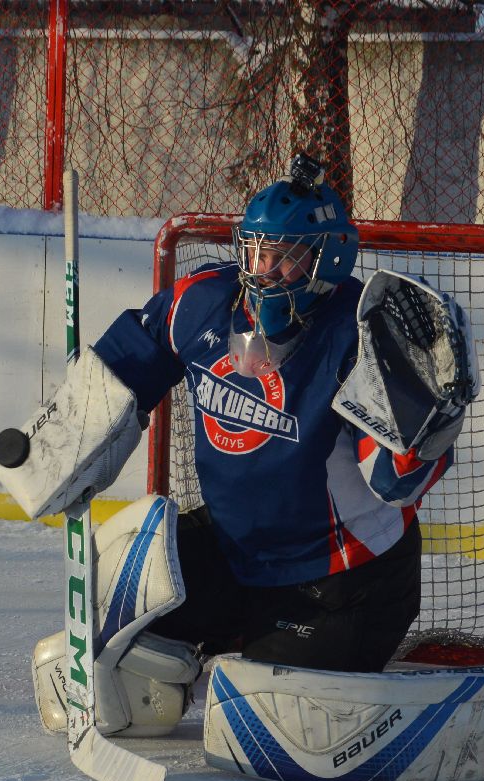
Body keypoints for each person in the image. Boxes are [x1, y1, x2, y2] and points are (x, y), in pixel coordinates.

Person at [86, 154, 459, 675]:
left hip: (342, 583)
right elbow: (129, 359)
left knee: (265, 719)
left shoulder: (359, 334)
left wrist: (435, 419)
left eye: (284, 256)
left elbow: (394, 482)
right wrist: (70, 435)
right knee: (115, 598)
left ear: (328, 259)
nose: (263, 271)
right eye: (255, 252)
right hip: (238, 551)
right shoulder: (206, 300)